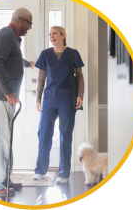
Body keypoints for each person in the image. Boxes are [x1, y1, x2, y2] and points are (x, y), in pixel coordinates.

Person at [0, 7, 34, 197]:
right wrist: (8, 91)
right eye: (29, 24)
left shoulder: (12, 38)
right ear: (21, 20)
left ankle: (5, 179)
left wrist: (26, 63)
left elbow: (12, 59)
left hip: (5, 95)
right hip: (1, 95)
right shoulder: (6, 35)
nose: (29, 28)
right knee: (1, 140)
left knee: (7, 140)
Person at [33, 26, 84, 184]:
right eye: (50, 34)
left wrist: (80, 95)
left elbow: (80, 77)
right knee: (44, 133)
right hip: (49, 98)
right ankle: (40, 171)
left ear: (63, 35)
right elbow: (41, 78)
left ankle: (63, 173)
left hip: (67, 98)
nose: (51, 36)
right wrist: (38, 98)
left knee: (65, 135)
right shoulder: (45, 54)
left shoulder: (72, 53)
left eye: (54, 33)